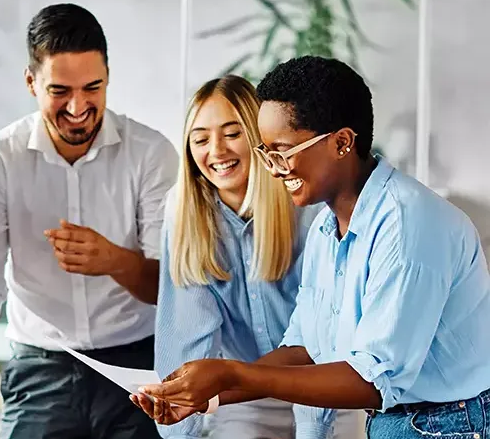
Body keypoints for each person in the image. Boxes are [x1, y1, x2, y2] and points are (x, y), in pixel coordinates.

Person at [138, 55, 490, 439]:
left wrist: (233, 372)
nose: (272, 168)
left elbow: (371, 380)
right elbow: (305, 347)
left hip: (452, 424)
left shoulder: (407, 224)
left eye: (283, 151)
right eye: (265, 153)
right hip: (400, 421)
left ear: (342, 142)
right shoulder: (328, 227)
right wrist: (206, 396)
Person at [0, 2, 179, 439]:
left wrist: (113, 260)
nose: (78, 106)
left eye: (93, 87)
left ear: (109, 76)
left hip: (136, 364)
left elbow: (168, 287)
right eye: (60, 91)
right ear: (31, 82)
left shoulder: (151, 153)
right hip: (40, 368)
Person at [131, 75, 358, 438]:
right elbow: (187, 332)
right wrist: (178, 420)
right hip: (245, 395)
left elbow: (324, 335)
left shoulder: (307, 205)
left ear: (261, 139)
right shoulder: (184, 212)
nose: (217, 151)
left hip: (324, 387)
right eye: (201, 139)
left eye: (232, 133)